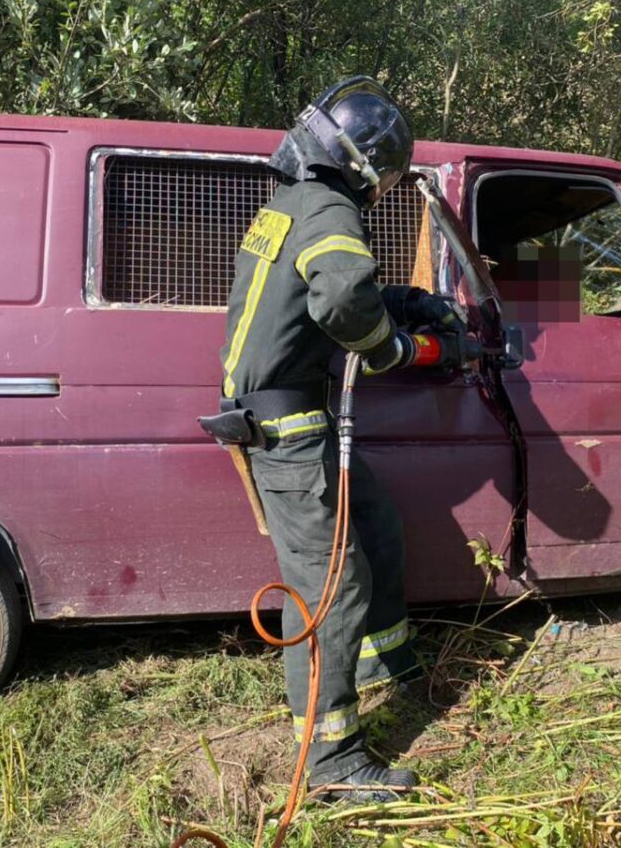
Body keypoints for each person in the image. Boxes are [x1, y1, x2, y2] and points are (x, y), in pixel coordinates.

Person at [217, 76, 473, 800]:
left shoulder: (293, 205)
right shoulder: (330, 207)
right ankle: (331, 760)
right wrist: (401, 349)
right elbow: (338, 298)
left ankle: (387, 668)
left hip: (295, 420)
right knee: (333, 585)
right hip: (288, 429)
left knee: (378, 530)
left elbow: (313, 295)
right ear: (368, 165)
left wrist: (409, 301)